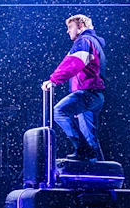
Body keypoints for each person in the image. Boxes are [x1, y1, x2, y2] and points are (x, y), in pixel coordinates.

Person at [42, 14, 107, 161]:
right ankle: (101, 170)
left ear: (81, 25)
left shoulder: (84, 40)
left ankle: (83, 150)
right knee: (90, 138)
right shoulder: (93, 42)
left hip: (88, 93)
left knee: (58, 112)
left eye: (70, 27)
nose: (68, 31)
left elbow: (73, 63)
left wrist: (53, 80)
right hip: (95, 95)